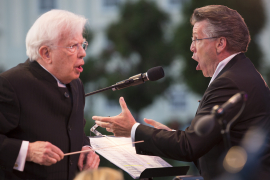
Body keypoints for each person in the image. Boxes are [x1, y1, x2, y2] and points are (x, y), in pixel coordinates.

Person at [92, 5, 270, 180]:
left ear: (220, 43)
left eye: (196, 39)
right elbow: (202, 143)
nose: (192, 47)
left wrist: (133, 129)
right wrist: (170, 136)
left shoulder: (229, 81)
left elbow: (190, 145)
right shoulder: (240, 72)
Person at [0, 10, 100, 180]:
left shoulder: (76, 84)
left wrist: (85, 148)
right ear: (46, 53)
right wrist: (28, 152)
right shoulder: (11, 84)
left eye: (82, 45)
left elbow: (76, 131)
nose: (82, 53)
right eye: (72, 46)